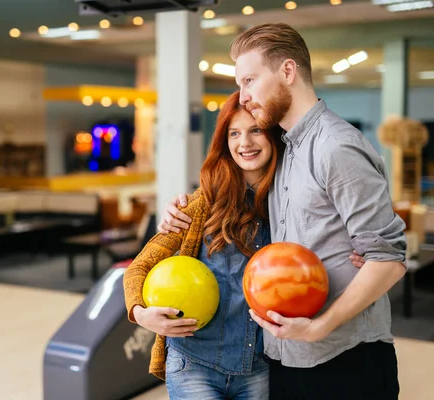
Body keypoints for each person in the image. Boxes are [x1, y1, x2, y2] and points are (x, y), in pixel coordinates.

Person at [157, 23, 406, 400]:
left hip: (345, 355)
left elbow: (388, 259)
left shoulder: (335, 147)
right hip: (286, 358)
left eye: (250, 80)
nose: (244, 96)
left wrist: (320, 326)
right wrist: (180, 208)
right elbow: (233, 197)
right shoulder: (285, 152)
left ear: (287, 72)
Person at [124, 91, 364, 399]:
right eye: (234, 133)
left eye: (255, 131)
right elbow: (139, 267)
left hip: (260, 368)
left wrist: (355, 253)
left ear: (274, 135)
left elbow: (325, 244)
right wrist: (141, 314)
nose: (244, 143)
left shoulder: (293, 203)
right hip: (194, 363)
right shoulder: (200, 205)